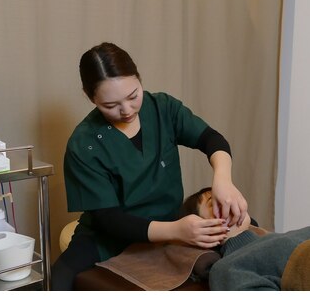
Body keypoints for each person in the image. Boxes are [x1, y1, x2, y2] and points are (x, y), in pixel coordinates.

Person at [51, 42, 248, 290]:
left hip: (173, 221)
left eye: (133, 96)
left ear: (139, 79)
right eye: (110, 106)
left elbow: (211, 140)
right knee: (58, 276)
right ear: (90, 97)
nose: (126, 110)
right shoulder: (84, 143)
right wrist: (175, 231)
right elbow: (108, 219)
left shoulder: (162, 109)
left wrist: (223, 179)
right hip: (108, 237)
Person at [181, 187, 310, 290]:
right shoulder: (227, 268)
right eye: (214, 202)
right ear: (203, 229)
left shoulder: (282, 237)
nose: (230, 202)